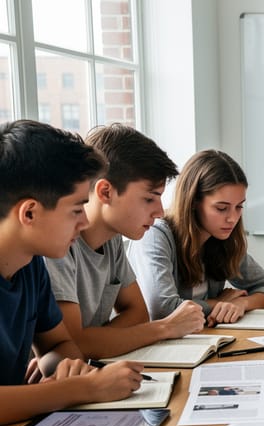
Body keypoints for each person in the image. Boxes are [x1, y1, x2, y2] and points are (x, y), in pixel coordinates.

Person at [0, 120, 144, 425]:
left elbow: (59, 345)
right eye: (77, 209)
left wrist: (64, 367)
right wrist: (84, 387)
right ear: (29, 213)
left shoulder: (30, 265)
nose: (84, 223)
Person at [44, 124, 205, 359]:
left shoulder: (112, 240)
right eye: (149, 199)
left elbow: (138, 314)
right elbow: (72, 343)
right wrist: (165, 328)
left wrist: (95, 340)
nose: (160, 212)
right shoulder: (57, 244)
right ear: (106, 192)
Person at [128, 149, 264, 326]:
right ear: (193, 201)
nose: (232, 218)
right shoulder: (156, 235)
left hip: (203, 340)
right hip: (159, 348)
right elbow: (163, 309)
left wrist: (242, 303)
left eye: (239, 207)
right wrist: (219, 304)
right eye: (221, 208)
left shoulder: (223, 239)